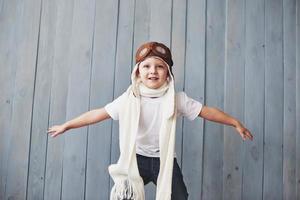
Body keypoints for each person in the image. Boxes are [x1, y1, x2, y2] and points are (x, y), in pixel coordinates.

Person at [47, 41, 253, 200]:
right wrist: (67, 125)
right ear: (137, 72)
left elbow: (207, 112)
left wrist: (235, 122)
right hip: (136, 159)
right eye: (146, 66)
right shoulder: (129, 99)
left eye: (159, 67)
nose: (153, 71)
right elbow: (97, 113)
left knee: (180, 198)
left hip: (165, 161)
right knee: (123, 196)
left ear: (168, 74)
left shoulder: (176, 99)